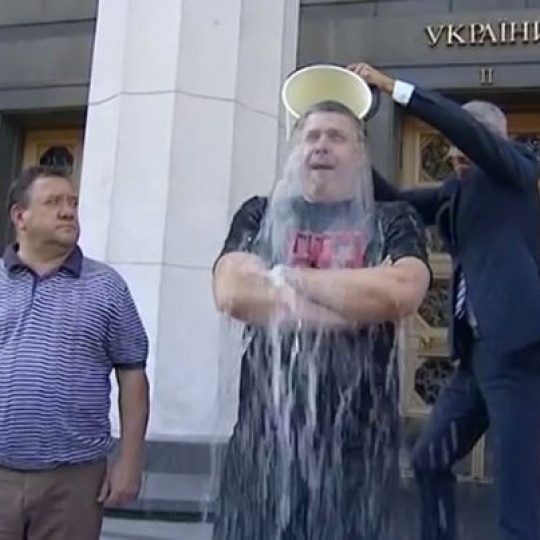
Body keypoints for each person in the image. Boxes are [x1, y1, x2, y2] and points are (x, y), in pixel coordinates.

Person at [212, 100, 431, 539]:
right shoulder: (260, 214)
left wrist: (286, 276)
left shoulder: (392, 219)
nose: (321, 146)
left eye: (336, 137)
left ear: (360, 153)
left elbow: (402, 292)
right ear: (296, 149)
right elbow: (233, 292)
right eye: (311, 136)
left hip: (359, 447)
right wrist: (355, 308)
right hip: (264, 442)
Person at [350, 62, 540, 540]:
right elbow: (395, 201)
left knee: (518, 497)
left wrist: (393, 88)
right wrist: (351, 148)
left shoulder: (516, 170)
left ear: (490, 142)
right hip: (473, 360)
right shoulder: (456, 192)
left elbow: (466, 131)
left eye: (463, 144)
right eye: (453, 147)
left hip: (520, 357)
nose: (455, 154)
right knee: (429, 459)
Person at [0, 166, 150, 540]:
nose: (68, 211)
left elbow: (133, 375)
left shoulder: (107, 287)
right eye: (53, 202)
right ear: (20, 216)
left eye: (73, 203)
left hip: (73, 482)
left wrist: (130, 460)